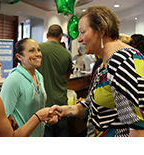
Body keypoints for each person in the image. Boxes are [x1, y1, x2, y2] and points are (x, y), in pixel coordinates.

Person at [49, 5, 144, 137]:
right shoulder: (107, 63)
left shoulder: (120, 62)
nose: (79, 39)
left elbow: (138, 128)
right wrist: (64, 110)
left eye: (83, 32)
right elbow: (91, 105)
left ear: (101, 30)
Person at [0, 38, 53, 137]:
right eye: (32, 50)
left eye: (38, 50)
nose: (38, 54)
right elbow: (4, 117)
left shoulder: (39, 77)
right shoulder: (13, 80)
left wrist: (48, 117)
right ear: (19, 56)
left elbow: (37, 109)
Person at [37, 24, 72, 137]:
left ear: (47, 35)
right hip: (60, 103)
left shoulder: (37, 49)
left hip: (42, 102)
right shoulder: (66, 54)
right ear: (61, 36)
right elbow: (67, 78)